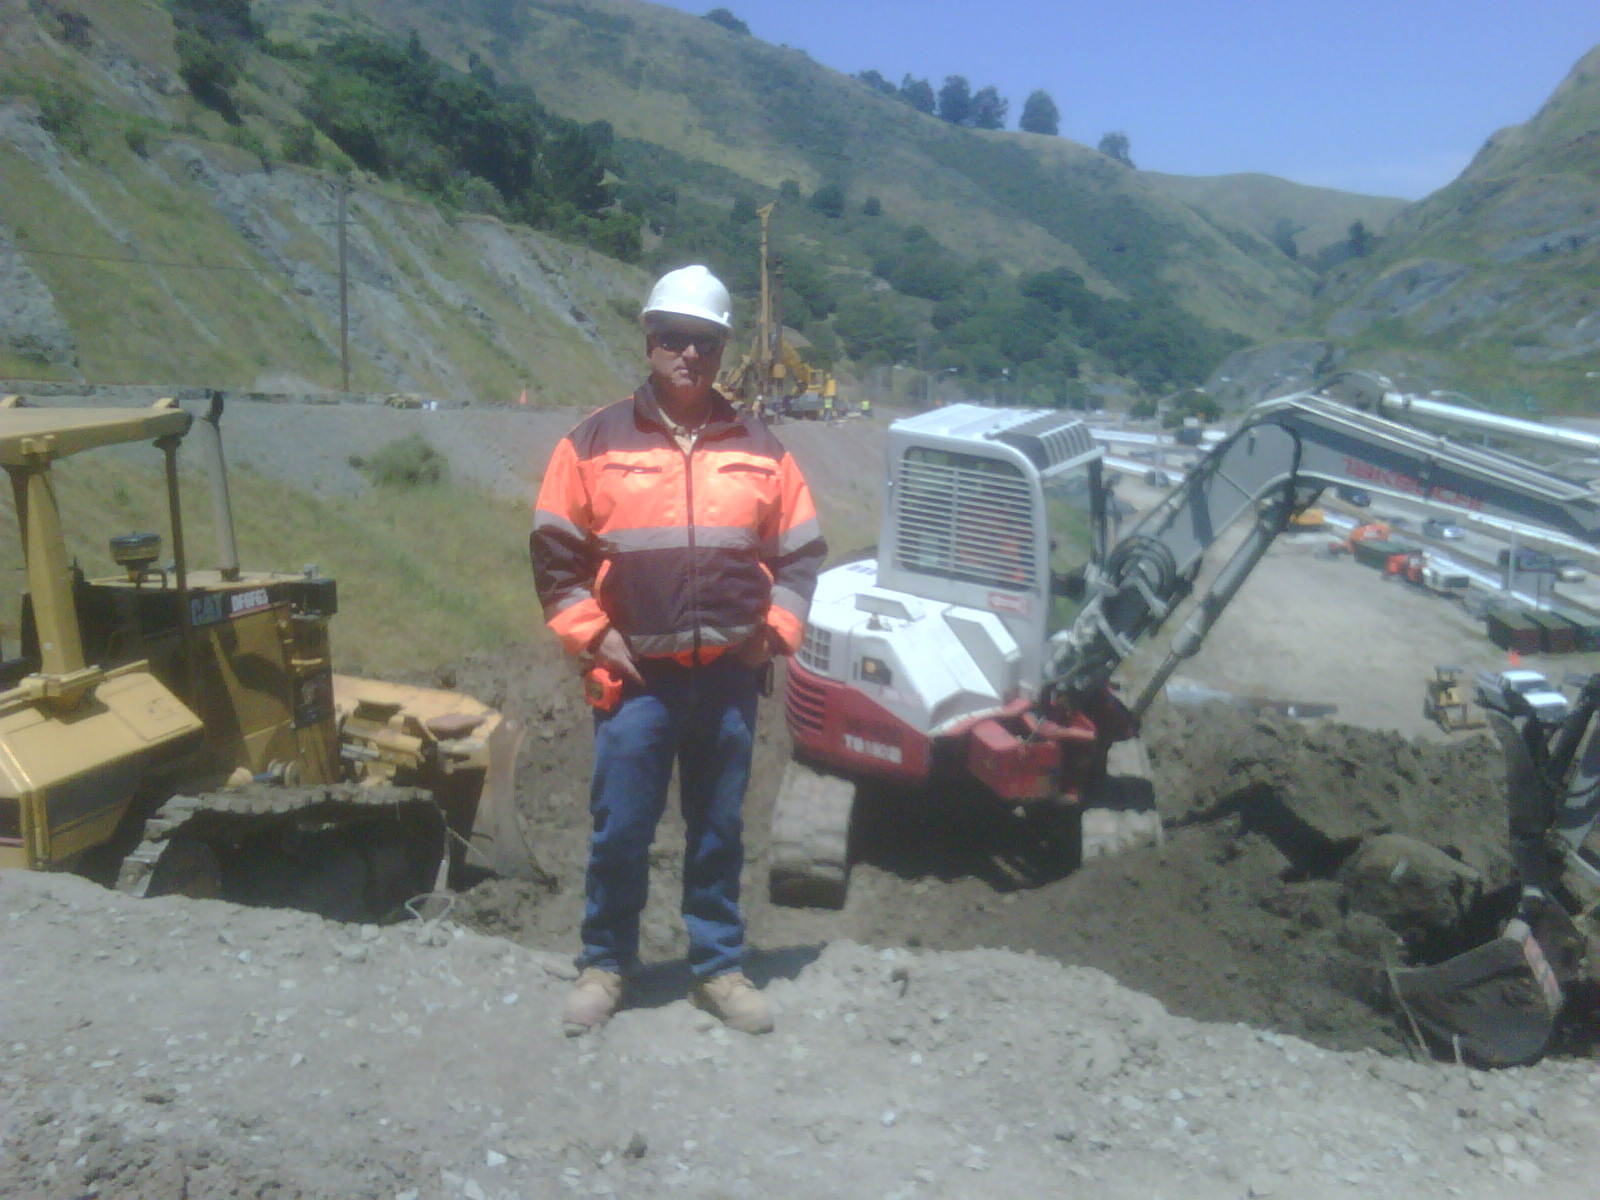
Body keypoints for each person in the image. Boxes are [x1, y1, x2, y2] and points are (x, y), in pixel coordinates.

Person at [530, 265, 827, 1037]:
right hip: (636, 682)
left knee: (719, 829)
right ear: (649, 341)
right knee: (621, 830)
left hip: (728, 679)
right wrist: (595, 635)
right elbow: (554, 556)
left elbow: (801, 553)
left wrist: (774, 633)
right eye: (674, 338)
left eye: (705, 341)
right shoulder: (592, 443)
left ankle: (718, 968)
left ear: (723, 349)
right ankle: (605, 965)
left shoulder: (761, 448)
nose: (689, 354)